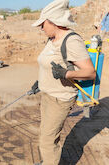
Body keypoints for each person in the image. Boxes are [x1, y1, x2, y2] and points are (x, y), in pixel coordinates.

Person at [30, 0, 96, 164]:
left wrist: (66, 73)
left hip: (60, 98)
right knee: (46, 134)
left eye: (43, 24)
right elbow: (50, 64)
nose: (41, 28)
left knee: (47, 141)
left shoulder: (71, 41)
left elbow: (90, 72)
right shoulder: (51, 39)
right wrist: (40, 81)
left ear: (54, 22)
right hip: (47, 94)